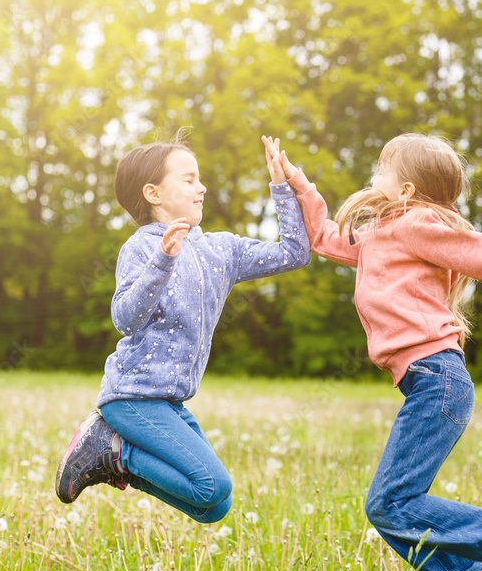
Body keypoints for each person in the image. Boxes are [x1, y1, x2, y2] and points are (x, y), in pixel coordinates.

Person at [262, 133, 482, 571]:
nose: (374, 176)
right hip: (427, 382)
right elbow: (322, 238)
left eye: (382, 168)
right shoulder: (380, 234)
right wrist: (293, 179)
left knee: (390, 505)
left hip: (438, 380)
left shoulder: (418, 225)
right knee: (390, 507)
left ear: (406, 191)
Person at [54, 133, 310, 524]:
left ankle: (113, 459)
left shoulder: (221, 250)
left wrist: (281, 185)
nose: (201, 187)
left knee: (213, 507)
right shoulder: (141, 248)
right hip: (132, 398)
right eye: (189, 179)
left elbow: (295, 253)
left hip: (171, 402)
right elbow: (125, 318)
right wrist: (163, 261)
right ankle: (115, 448)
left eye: (199, 178)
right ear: (153, 193)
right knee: (213, 486)